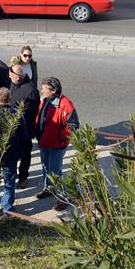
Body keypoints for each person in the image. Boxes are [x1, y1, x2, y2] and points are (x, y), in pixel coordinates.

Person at [34, 77, 79, 211]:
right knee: (45, 169)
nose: (41, 90)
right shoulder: (45, 100)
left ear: (53, 90)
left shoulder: (66, 104)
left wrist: (61, 138)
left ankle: (62, 198)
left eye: (44, 88)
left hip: (56, 145)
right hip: (44, 142)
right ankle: (48, 189)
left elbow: (73, 126)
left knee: (56, 172)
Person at [8, 64, 40, 189]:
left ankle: (23, 178)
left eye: (12, 74)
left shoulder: (30, 90)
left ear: (18, 77)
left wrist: (29, 130)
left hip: (24, 129)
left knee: (25, 154)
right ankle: (12, 174)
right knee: (12, 153)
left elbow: (32, 113)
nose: (9, 75)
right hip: (12, 128)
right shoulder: (13, 84)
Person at [0, 87, 22, 214]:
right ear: (10, 99)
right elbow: (24, 134)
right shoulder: (15, 113)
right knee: (9, 181)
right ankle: (7, 207)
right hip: (11, 152)